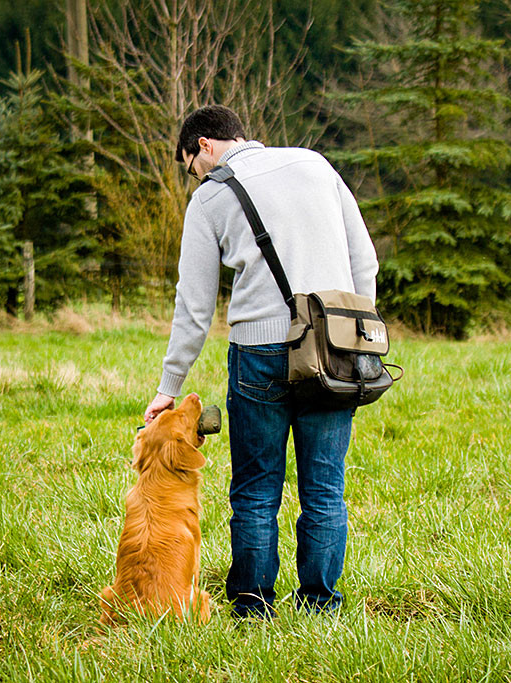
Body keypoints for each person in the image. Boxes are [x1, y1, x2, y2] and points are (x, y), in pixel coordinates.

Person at [143, 105, 378, 618]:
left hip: (259, 352)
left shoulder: (210, 198)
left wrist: (169, 385)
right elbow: (365, 260)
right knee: (325, 487)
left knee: (254, 489)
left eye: (191, 167)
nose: (195, 180)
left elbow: (194, 305)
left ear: (204, 145)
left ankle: (252, 605)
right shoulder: (316, 164)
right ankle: (320, 605)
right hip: (335, 348)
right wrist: (359, 332)